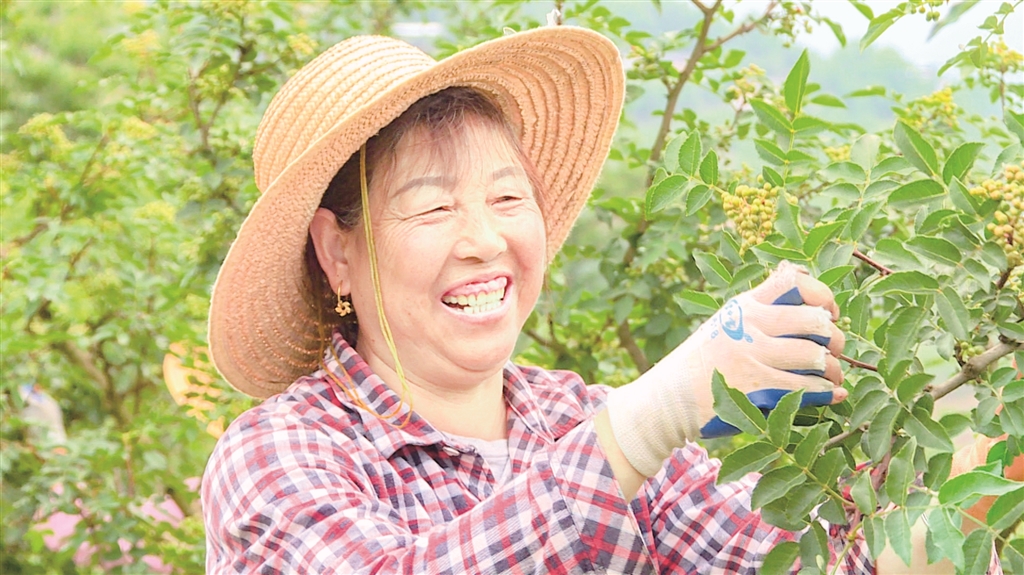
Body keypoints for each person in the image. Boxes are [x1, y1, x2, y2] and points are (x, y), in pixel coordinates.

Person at [201, 27, 1007, 574]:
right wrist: (656, 411)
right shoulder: (278, 454)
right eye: (433, 206)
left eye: (507, 197)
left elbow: (802, 561)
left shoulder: (572, 415)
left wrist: (984, 469)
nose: (483, 239)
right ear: (336, 251)